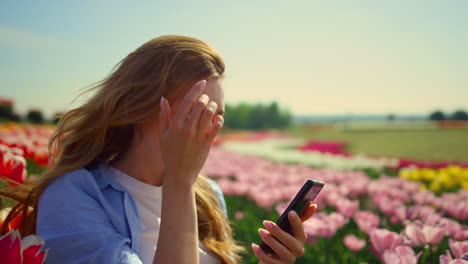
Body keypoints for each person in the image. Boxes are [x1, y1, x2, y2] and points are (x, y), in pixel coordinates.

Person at [0, 35, 317, 264]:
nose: (211, 127)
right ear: (142, 105)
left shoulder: (207, 197)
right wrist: (179, 181)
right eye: (198, 109)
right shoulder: (72, 197)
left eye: (218, 115)